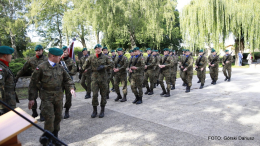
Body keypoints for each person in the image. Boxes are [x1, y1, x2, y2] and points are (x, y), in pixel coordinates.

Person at [28, 48, 75, 143]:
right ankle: (48, 138)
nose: (60, 58)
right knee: (49, 117)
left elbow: (68, 79)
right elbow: (33, 83)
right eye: (59, 56)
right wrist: (31, 98)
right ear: (53, 56)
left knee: (58, 117)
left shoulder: (60, 67)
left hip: (58, 96)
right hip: (47, 96)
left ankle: (55, 137)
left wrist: (71, 88)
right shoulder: (41, 67)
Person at [15, 45, 47, 120]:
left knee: (44, 98)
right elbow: (23, 69)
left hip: (43, 82)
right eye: (36, 50)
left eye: (39, 50)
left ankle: (42, 113)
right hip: (34, 82)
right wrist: (16, 77)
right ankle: (34, 112)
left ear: (42, 50)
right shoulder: (31, 60)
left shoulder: (46, 60)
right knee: (32, 97)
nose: (38, 52)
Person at [82, 44, 112, 118]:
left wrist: (104, 67)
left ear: (101, 49)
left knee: (103, 94)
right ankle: (94, 110)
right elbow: (85, 65)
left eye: (99, 48)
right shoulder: (91, 57)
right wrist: (83, 68)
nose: (97, 50)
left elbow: (112, 65)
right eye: (96, 49)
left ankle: (102, 110)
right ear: (94, 50)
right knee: (95, 94)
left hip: (103, 78)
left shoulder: (106, 57)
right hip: (94, 78)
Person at [0, 46, 19, 116]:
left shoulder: (4, 66)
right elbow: (0, 88)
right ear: (5, 55)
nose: (11, 56)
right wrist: (2, 107)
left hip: (8, 102)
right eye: (10, 54)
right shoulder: (1, 68)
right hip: (5, 104)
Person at [61, 46, 77, 119]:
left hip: (68, 81)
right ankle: (58, 110)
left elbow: (74, 71)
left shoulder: (71, 61)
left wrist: (68, 74)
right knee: (58, 97)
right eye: (63, 52)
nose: (64, 53)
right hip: (60, 81)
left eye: (66, 52)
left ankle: (67, 110)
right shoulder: (59, 60)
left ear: (68, 52)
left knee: (68, 97)